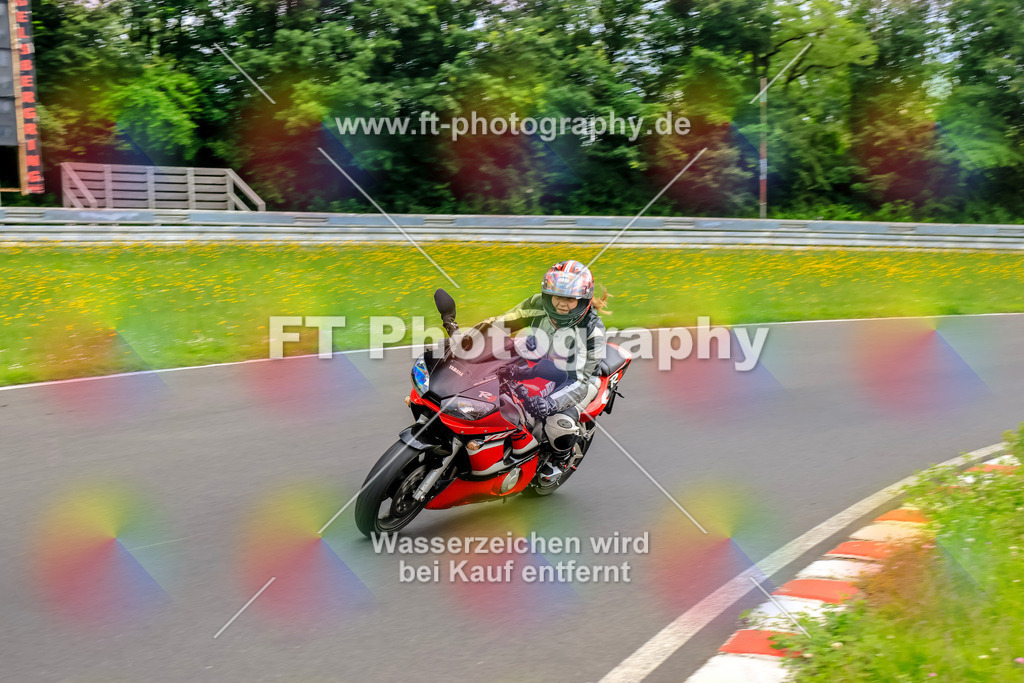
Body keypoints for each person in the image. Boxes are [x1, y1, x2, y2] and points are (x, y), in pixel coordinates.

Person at [487, 260, 610, 479]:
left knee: (556, 424)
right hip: (541, 359)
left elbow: (580, 381)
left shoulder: (592, 331)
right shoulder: (537, 304)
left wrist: (551, 403)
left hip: (577, 378)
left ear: (583, 299)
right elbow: (501, 324)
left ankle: (562, 458)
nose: (562, 304)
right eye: (558, 297)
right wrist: (466, 341)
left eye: (570, 299)